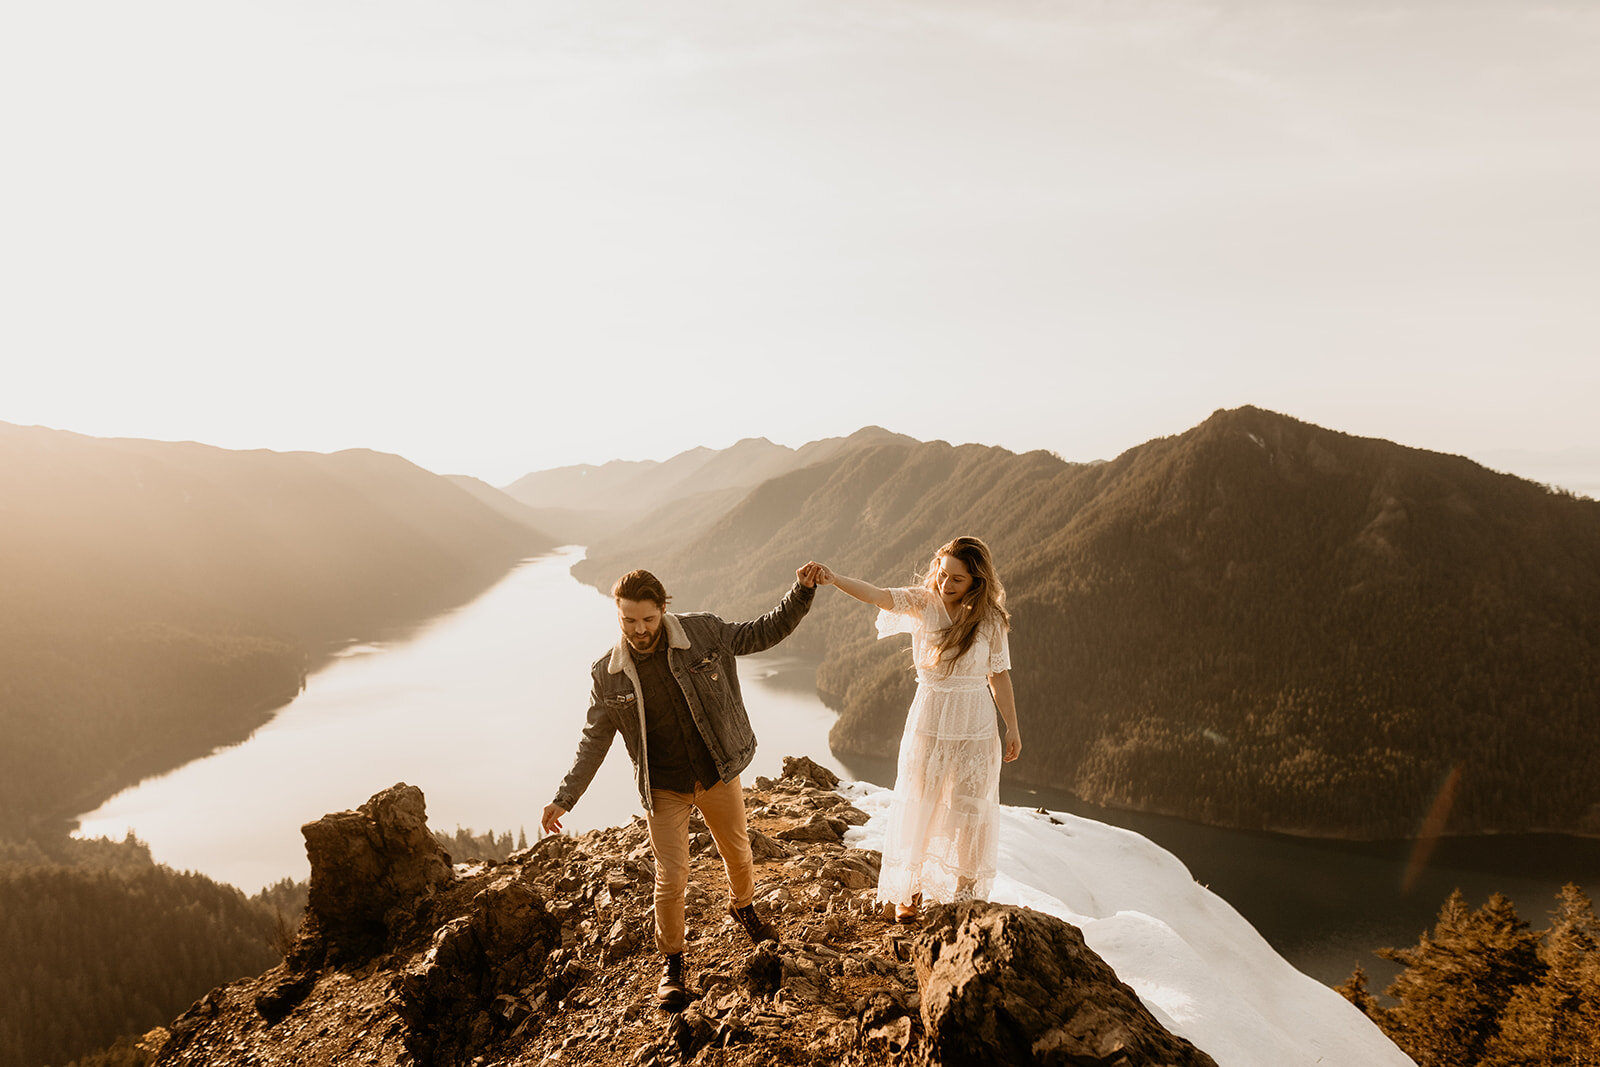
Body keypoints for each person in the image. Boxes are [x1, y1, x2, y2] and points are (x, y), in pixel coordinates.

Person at [542, 564, 821, 1010]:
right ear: (618, 616)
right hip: (664, 788)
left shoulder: (703, 632)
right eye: (628, 620)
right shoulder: (607, 674)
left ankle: (743, 908)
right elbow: (594, 739)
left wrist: (801, 593)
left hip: (716, 771)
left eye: (647, 620)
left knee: (739, 852)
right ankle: (672, 965)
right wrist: (565, 797)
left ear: (663, 610)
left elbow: (759, 634)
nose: (639, 629)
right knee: (671, 878)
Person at [807, 537, 1019, 921]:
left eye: (957, 578)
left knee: (970, 808)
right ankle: (911, 887)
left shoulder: (990, 620)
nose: (945, 583)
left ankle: (965, 891)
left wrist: (1012, 727)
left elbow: (998, 676)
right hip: (930, 716)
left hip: (975, 723)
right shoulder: (923, 603)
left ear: (977, 581)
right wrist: (834, 579)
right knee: (922, 800)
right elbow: (876, 595)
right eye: (942, 573)